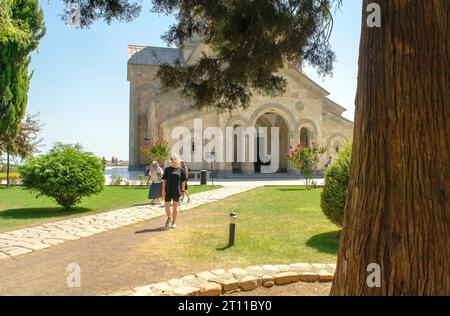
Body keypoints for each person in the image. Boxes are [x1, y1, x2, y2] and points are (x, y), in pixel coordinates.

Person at [161, 154, 186, 229]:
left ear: (176, 160)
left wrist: (183, 190)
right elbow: (164, 181)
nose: (172, 161)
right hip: (168, 190)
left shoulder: (181, 170)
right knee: (167, 206)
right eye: (171, 160)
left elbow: (183, 181)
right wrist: (163, 190)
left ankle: (174, 222)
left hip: (176, 191)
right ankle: (169, 218)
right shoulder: (167, 169)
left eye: (173, 160)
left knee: (175, 207)